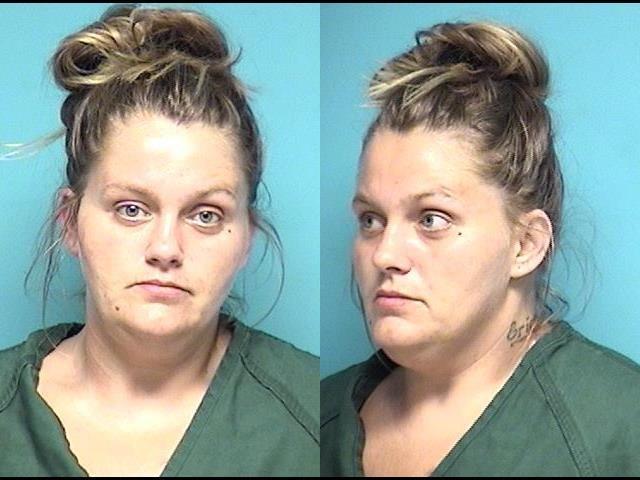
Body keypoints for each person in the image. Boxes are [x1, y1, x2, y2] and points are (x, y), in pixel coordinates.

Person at [0, 4, 318, 476]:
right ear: (70, 222)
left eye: (206, 215)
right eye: (131, 209)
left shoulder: (315, 420)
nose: (166, 249)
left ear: (246, 238)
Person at [321, 21, 640, 476]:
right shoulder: (318, 417)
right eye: (371, 220)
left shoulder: (618, 428)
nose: (384, 255)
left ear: (525, 244)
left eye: (431, 219)